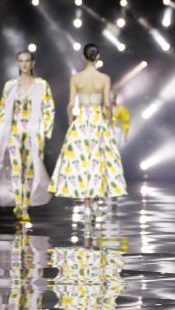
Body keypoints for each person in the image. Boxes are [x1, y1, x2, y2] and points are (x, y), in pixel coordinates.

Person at [48, 44, 127, 222]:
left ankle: (87, 206)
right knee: (98, 161)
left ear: (83, 57)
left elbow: (70, 105)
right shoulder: (104, 78)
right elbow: (107, 104)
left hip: (82, 120)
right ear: (97, 56)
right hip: (98, 120)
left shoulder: (76, 78)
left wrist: (70, 123)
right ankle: (96, 203)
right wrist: (108, 124)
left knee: (83, 162)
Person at [0, 50, 55, 222]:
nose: (24, 64)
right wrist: (3, 130)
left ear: (33, 63)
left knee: (30, 169)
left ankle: (25, 202)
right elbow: (2, 110)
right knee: (17, 168)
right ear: (17, 64)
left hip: (34, 131)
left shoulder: (41, 84)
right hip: (14, 130)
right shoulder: (10, 85)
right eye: (21, 61)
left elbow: (49, 108)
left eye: (27, 61)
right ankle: (20, 205)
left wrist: (44, 131)